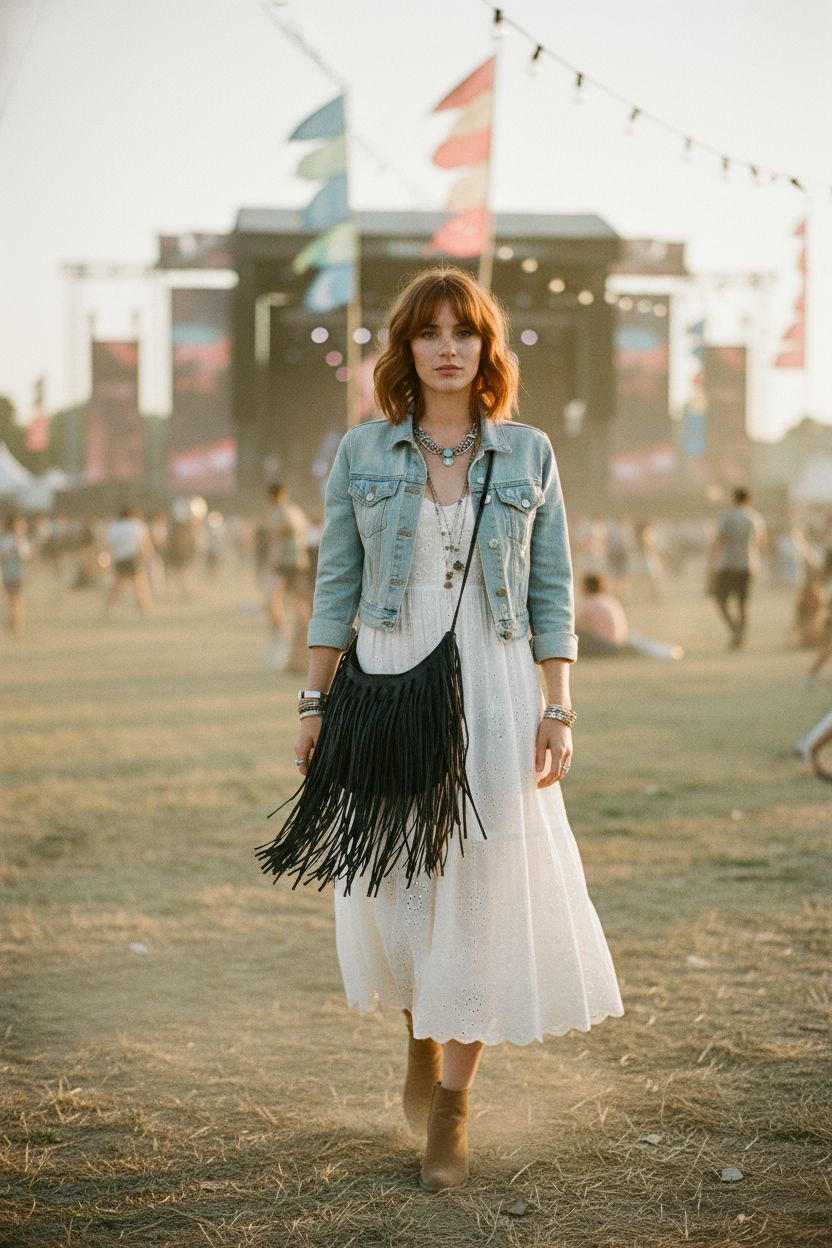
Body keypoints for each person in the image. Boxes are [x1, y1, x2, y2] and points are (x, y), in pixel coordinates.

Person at [290, 267, 624, 1191]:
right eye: (429, 331)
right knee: (399, 886)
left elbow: (552, 589)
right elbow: (336, 587)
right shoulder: (362, 451)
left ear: (485, 349)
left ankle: (454, 1106)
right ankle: (419, 1039)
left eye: (464, 331)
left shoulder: (528, 453)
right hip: (391, 675)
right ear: (406, 349)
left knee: (479, 887)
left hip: (497, 679)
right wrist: (314, 704)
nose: (447, 345)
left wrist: (558, 706)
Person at [707, 487, 768, 648]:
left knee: (721, 600)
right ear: (749, 500)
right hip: (748, 564)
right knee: (743, 602)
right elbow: (762, 543)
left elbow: (718, 542)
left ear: (733, 499)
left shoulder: (727, 518)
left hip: (728, 564)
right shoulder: (756, 518)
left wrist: (711, 565)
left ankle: (735, 629)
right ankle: (740, 633)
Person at [576, 573, 683, 660]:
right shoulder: (609, 599)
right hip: (621, 642)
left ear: (587, 586)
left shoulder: (590, 602)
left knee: (576, 630)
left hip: (607, 647)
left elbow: (577, 625)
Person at [262, 482, 311, 672]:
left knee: (291, 602)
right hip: (287, 564)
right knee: (279, 601)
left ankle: (293, 633)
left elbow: (292, 527)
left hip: (291, 564)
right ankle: (286, 631)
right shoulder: (283, 511)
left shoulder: (287, 510)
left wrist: (276, 534)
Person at [104, 506, 153, 617]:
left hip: (120, 559)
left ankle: (110, 609)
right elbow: (143, 543)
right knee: (140, 584)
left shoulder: (115, 527)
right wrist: (147, 556)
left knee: (118, 585)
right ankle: (145, 608)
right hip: (133, 558)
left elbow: (110, 545)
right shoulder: (137, 525)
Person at [1, 514, 31, 636]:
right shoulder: (8, 539)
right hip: (10, 572)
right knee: (13, 599)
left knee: (15, 598)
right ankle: (15, 622)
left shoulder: (21, 539)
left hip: (17, 572)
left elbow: (26, 556)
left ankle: (17, 623)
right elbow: (2, 556)